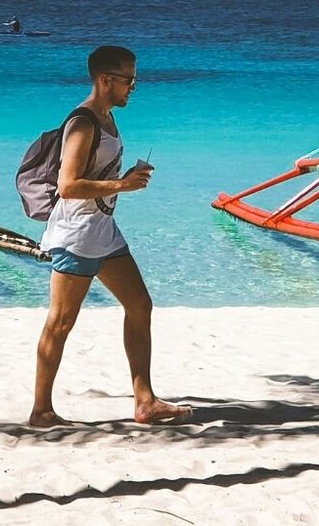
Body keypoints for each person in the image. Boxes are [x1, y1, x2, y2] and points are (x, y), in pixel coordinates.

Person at [29, 45, 190, 427]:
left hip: (103, 233)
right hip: (77, 235)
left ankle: (145, 401)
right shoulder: (84, 123)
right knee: (61, 322)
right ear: (105, 80)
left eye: (134, 79)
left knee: (140, 306)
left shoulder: (108, 119)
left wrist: (123, 183)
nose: (133, 87)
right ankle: (41, 411)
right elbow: (67, 186)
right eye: (128, 80)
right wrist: (124, 184)